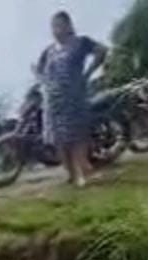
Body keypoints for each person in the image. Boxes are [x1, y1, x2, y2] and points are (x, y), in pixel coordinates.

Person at [36, 11, 107, 187]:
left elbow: (102, 51)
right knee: (58, 138)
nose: (56, 30)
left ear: (68, 26)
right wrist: (43, 81)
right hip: (53, 100)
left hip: (74, 96)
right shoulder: (49, 51)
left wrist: (88, 73)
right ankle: (70, 173)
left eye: (59, 25)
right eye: (53, 27)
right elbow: (39, 70)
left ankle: (83, 171)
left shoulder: (81, 43)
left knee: (77, 135)